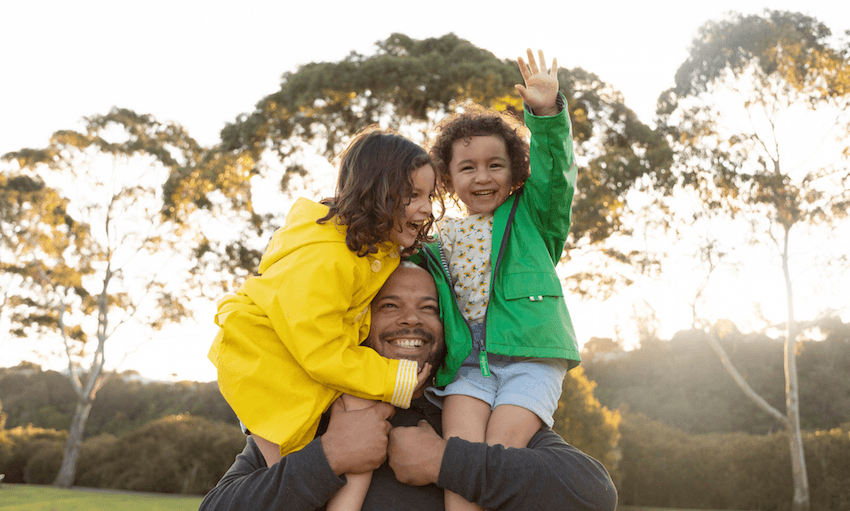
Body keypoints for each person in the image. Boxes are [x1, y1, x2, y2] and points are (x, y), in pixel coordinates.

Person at [198, 263, 618, 511]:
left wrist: (444, 461)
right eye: (389, 305)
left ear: (448, 327)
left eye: (428, 308)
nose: (411, 320)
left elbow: (594, 494)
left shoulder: (474, 414)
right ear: (360, 323)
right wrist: (329, 456)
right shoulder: (316, 415)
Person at [207, 126, 438, 503]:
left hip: (303, 361)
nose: (426, 208)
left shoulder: (368, 250)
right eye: (413, 196)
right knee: (289, 480)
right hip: (268, 369)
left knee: (362, 420)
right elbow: (321, 349)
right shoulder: (328, 258)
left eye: (429, 196)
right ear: (377, 194)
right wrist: (392, 378)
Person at [415, 49, 581, 511]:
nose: (482, 176)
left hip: (531, 359)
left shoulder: (533, 217)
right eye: (467, 167)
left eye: (495, 164)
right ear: (447, 178)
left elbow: (556, 175)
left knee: (499, 455)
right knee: (459, 460)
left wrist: (545, 115)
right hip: (467, 366)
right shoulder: (438, 238)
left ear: (516, 170)